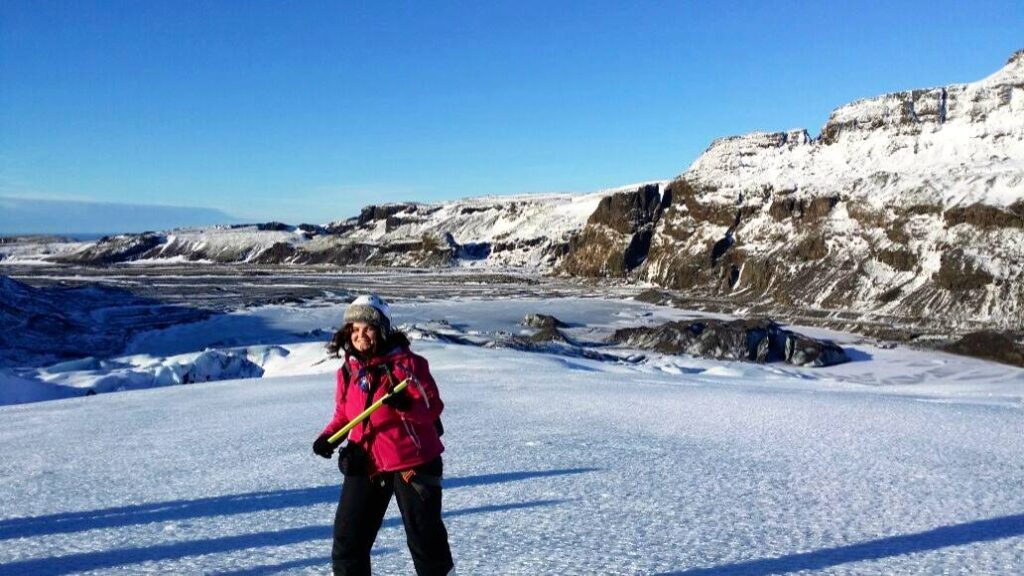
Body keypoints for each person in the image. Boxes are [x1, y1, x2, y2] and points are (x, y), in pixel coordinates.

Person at [313, 294, 453, 576]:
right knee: (348, 541)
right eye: (354, 329)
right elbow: (345, 413)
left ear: (382, 329)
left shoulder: (409, 365)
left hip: (412, 464)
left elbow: (432, 407)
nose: (360, 335)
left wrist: (406, 407)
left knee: (425, 542)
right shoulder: (349, 371)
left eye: (367, 328)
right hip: (367, 463)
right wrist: (329, 437)